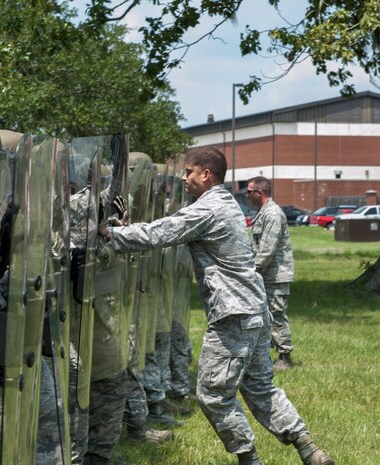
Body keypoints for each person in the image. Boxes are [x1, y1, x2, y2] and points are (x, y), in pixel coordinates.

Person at [102, 147, 334, 465]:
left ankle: (249, 459)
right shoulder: (226, 204)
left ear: (206, 174)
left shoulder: (208, 209)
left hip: (232, 315)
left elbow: (160, 233)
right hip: (254, 308)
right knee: (260, 388)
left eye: (189, 171)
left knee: (213, 395)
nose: (184, 177)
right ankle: (309, 449)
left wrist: (109, 234)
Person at [247, 176, 295, 370]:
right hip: (265, 275)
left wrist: (252, 271)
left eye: (249, 192)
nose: (247, 195)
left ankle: (285, 357)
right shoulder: (263, 213)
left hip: (275, 276)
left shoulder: (273, 214)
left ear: (260, 192)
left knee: (276, 314)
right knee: (264, 316)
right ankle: (263, 355)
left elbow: (267, 249)